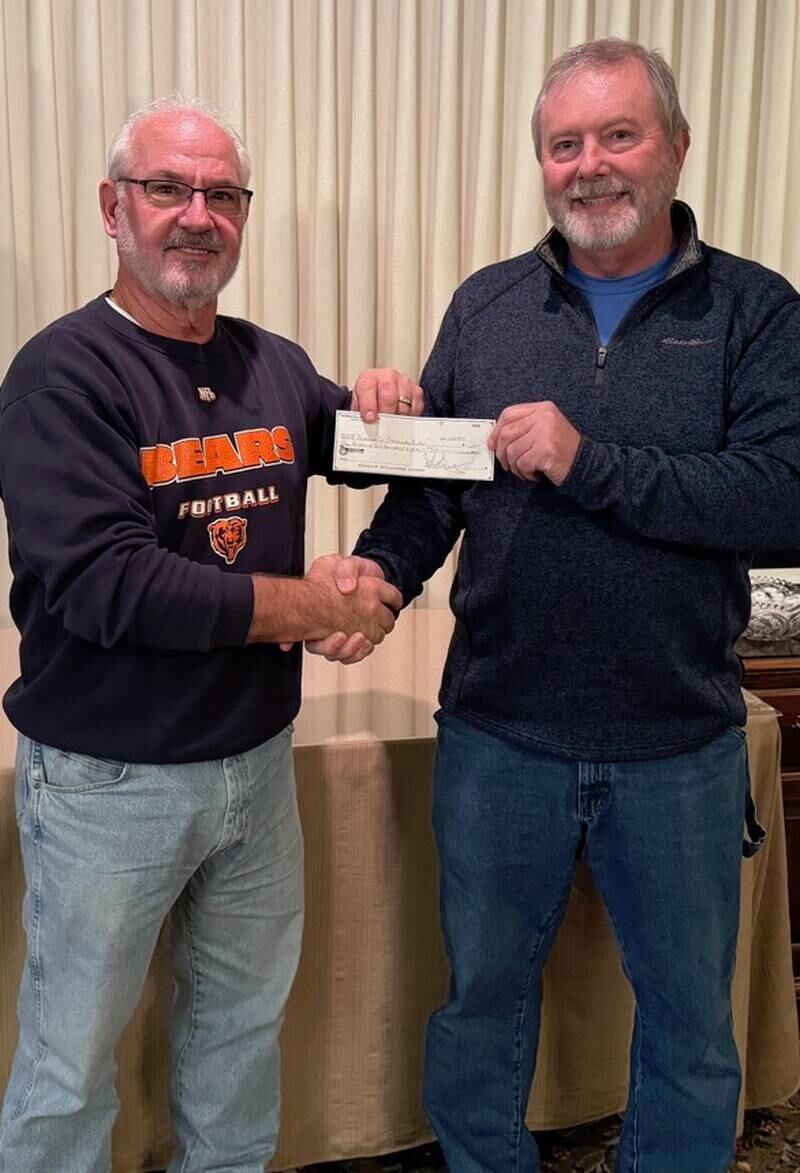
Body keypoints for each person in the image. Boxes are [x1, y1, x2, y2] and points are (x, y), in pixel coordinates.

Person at [314, 38, 800, 1173]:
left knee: (687, 1029)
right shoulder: (485, 306)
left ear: (675, 146)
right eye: (562, 143)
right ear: (540, 161)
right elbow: (435, 491)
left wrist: (591, 464)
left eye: (616, 135)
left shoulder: (754, 310)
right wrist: (381, 577)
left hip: (675, 740)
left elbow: (783, 497)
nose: (588, 165)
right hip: (496, 733)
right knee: (479, 1002)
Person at [0, 95, 421, 1173]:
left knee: (237, 1040)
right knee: (68, 1066)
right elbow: (109, 587)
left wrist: (395, 405)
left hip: (253, 770)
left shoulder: (268, 363)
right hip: (107, 785)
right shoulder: (62, 375)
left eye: (221, 195)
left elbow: (387, 454)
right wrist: (312, 605)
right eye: (167, 189)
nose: (197, 215)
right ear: (112, 207)